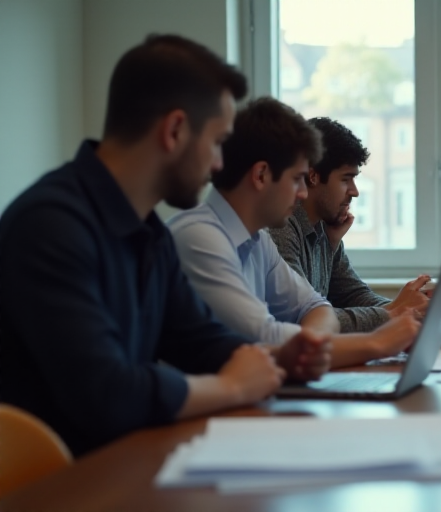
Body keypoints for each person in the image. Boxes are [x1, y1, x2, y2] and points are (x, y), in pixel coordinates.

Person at [0, 35, 329, 456]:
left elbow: (198, 339)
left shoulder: (149, 232)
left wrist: (278, 359)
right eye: (216, 142)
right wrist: (232, 386)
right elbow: (108, 394)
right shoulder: (51, 226)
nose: (219, 164)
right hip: (61, 480)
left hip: (121, 464)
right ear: (174, 131)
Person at [168, 97, 419, 369]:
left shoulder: (258, 240)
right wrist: (376, 343)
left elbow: (315, 307)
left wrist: (312, 345)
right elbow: (265, 337)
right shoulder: (198, 237)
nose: (302, 193)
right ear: (261, 175)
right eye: (297, 179)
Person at [269, 117, 430, 333]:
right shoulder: (281, 227)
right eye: (346, 179)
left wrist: (410, 310)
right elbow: (305, 316)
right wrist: (393, 313)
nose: (354, 191)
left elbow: (353, 294)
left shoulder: (323, 229)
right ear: (313, 176)